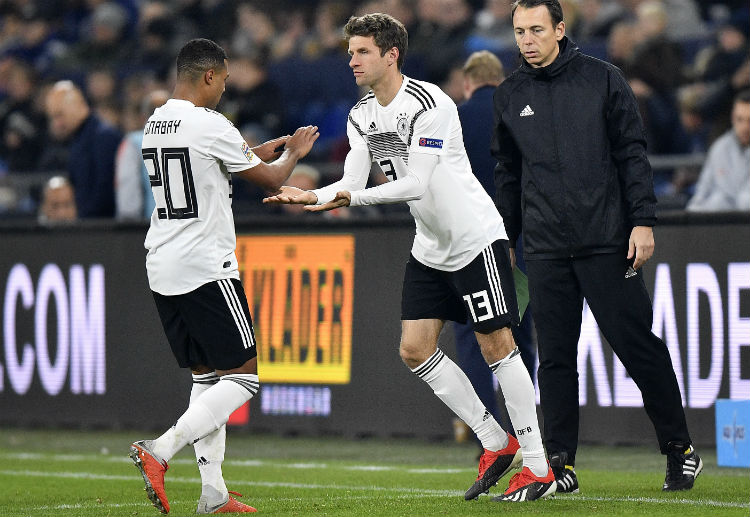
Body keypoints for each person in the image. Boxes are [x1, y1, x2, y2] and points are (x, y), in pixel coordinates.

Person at [264, 13, 555, 502]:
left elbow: (416, 182)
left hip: (473, 238)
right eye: (350, 51)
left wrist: (348, 200)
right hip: (431, 246)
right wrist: (310, 198)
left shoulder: (430, 101)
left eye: (361, 52)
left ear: (391, 54)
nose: (351, 60)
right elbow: (351, 185)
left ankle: (538, 467)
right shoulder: (361, 115)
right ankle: (494, 441)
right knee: (415, 348)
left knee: (497, 345)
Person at [491, 0, 701, 494]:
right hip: (545, 247)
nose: (527, 40)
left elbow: (632, 154)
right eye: (520, 31)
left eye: (537, 29)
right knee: (556, 358)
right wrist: (504, 239)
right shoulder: (509, 94)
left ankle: (679, 447)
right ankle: (560, 460)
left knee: (637, 348)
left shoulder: (604, 79)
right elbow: (508, 175)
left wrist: (643, 222)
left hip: (607, 240)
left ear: (560, 30)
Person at [128, 38, 319, 515]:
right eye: (225, 79)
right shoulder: (211, 123)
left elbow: (207, 157)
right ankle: (161, 448)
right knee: (245, 377)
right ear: (210, 76)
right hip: (205, 265)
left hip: (163, 264)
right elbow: (274, 181)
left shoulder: (156, 120)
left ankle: (212, 494)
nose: (226, 88)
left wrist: (259, 149)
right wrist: (293, 151)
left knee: (207, 378)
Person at [454, 50, 537, 447]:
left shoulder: (452, 116)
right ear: (498, 80)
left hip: (467, 240)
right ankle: (529, 427)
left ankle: (487, 436)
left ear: (468, 83)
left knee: (473, 336)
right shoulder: (517, 109)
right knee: (521, 333)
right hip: (518, 235)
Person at [44, 80, 122, 218]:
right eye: (53, 118)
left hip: (101, 230)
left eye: (59, 115)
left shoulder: (104, 137)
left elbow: (105, 192)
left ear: (77, 105)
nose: (57, 123)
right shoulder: (78, 138)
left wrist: (83, 220)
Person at [687, 89, 750, 211]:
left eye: (749, 120)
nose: (745, 127)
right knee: (718, 201)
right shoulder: (720, 148)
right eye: (740, 119)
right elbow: (701, 195)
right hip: (723, 224)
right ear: (732, 118)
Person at [115, 89, 170, 220]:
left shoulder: (134, 142)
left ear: (143, 117)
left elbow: (128, 195)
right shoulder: (191, 140)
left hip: (150, 228)